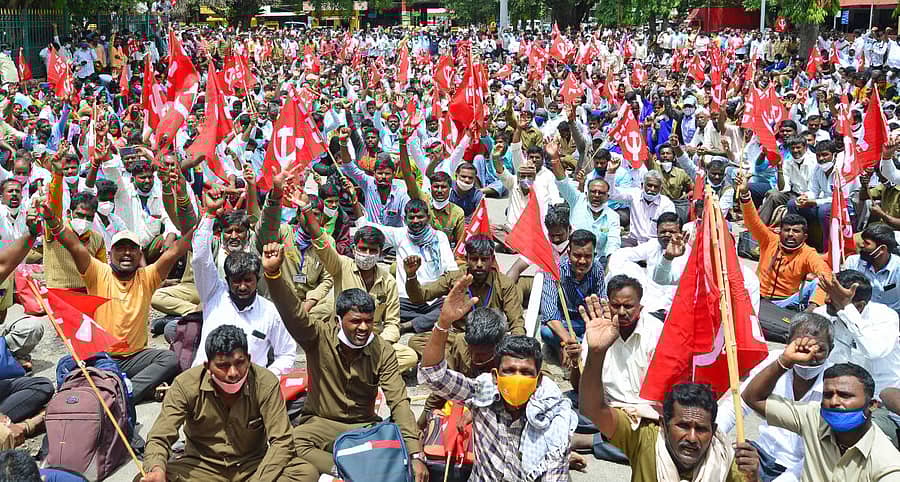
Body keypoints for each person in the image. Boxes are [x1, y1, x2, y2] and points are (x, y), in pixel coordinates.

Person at [262, 243, 427, 482]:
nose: (363, 328)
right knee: (293, 441)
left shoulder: (382, 350)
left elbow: (399, 402)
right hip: (321, 423)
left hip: (364, 427)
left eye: (369, 321)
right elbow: (294, 312)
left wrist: (415, 454)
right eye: (355, 321)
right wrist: (274, 276)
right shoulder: (318, 335)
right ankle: (348, 469)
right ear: (339, 320)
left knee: (399, 446)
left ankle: (355, 464)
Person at [578, 294, 761, 481]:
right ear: (664, 426)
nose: (691, 438)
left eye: (701, 429)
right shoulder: (645, 439)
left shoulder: (728, 463)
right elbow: (593, 410)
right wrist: (596, 354)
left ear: (713, 431)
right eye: (683, 426)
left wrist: (754, 477)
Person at [418, 274, 577, 481]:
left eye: (526, 372)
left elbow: (553, 475)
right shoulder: (482, 392)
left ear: (538, 380)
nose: (517, 378)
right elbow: (433, 374)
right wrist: (443, 323)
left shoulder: (553, 414)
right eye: (509, 371)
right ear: (495, 375)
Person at [44, 198, 187, 402]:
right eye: (120, 248)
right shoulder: (97, 272)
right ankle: (124, 387)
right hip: (101, 357)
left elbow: (174, 251)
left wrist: (204, 222)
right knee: (66, 364)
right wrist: (53, 221)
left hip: (135, 357)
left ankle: (121, 394)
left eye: (132, 249)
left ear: (140, 254)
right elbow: (74, 246)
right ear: (111, 254)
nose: (126, 253)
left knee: (169, 359)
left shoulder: (148, 277)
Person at [140, 325, 316, 482]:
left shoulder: (265, 382)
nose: (233, 373)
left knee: (305, 473)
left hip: (252, 467)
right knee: (146, 478)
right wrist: (157, 468)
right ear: (207, 366)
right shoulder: (185, 384)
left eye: (239, 363)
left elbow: (282, 441)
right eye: (223, 366)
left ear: (248, 358)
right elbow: (159, 436)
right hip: (202, 468)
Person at [742, 343, 900, 480]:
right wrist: (785, 361)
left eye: (845, 396)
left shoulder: (887, 464)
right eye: (828, 395)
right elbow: (753, 398)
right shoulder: (813, 417)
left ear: (872, 405)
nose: (834, 402)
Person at [189, 188, 296, 374]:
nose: (243, 286)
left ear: (257, 278)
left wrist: (268, 379)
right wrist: (209, 214)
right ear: (227, 280)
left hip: (250, 390)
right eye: (237, 281)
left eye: (248, 280)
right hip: (206, 382)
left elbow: (287, 354)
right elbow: (199, 259)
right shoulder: (214, 293)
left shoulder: (269, 312)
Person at [717, 313, 834, 482]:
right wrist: (712, 437)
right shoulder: (775, 361)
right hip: (762, 453)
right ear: (787, 342)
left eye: (819, 349)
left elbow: (820, 453)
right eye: (800, 346)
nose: (808, 357)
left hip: (806, 468)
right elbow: (738, 404)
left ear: (832, 349)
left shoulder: (834, 384)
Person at [406, 234, 525, 356]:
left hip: (491, 338)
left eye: (484, 259)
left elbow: (516, 321)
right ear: (466, 258)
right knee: (416, 342)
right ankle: (459, 359)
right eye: (474, 259)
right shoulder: (454, 278)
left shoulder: (504, 283)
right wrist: (411, 276)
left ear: (492, 259)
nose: (479, 264)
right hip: (460, 336)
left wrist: (517, 348)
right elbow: (420, 296)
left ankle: (457, 359)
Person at [362, 198, 459, 334]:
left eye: (420, 217)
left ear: (428, 217)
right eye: (411, 217)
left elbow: (451, 269)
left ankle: (409, 325)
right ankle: (425, 322)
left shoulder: (440, 237)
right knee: (383, 306)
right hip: (406, 300)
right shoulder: (400, 235)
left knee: (453, 306)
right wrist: (355, 203)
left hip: (433, 299)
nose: (415, 221)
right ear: (404, 218)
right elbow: (371, 228)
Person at [737, 171, 830, 309]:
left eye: (796, 231)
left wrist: (811, 310)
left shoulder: (808, 253)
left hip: (786, 302)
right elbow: (753, 221)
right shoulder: (769, 240)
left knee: (818, 283)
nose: (790, 234)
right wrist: (745, 194)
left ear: (805, 236)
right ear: (780, 232)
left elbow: (826, 274)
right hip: (757, 295)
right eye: (787, 230)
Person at [418, 306, 507, 428]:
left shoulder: (511, 358)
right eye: (471, 351)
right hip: (461, 402)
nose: (475, 358)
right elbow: (444, 384)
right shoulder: (460, 343)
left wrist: (477, 410)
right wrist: (422, 423)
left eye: (482, 355)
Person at [539, 230, 607, 359]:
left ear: (594, 255)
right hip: (563, 321)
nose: (582, 261)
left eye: (587, 256)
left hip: (586, 322)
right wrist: (569, 342)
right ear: (569, 253)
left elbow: (603, 303)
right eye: (577, 255)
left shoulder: (597, 268)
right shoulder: (554, 270)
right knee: (546, 332)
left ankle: (574, 350)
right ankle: (568, 348)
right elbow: (549, 313)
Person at [549, 142, 621, 260]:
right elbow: (563, 182)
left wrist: (611, 265)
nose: (597, 195)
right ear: (586, 193)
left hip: (598, 261)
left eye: (601, 193)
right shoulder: (577, 200)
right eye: (593, 192)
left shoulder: (613, 217)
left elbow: (613, 244)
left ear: (608, 196)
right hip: (571, 259)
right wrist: (555, 158)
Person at [809, 223, 900, 315]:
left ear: (882, 249)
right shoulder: (853, 262)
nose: (861, 245)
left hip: (889, 317)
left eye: (867, 243)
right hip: (853, 313)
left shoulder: (898, 267)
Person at [607, 212, 685, 315]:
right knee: (625, 266)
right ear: (657, 232)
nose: (667, 235)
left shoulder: (687, 252)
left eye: (672, 231)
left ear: (680, 232)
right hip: (647, 294)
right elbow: (621, 255)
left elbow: (663, 280)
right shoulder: (653, 245)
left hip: (672, 302)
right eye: (663, 232)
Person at [605, 159, 676, 246]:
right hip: (634, 242)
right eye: (649, 185)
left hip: (656, 244)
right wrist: (611, 172)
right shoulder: (634, 194)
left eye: (655, 187)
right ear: (642, 185)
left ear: (660, 189)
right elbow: (611, 194)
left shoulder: (667, 204)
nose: (652, 189)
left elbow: (670, 228)